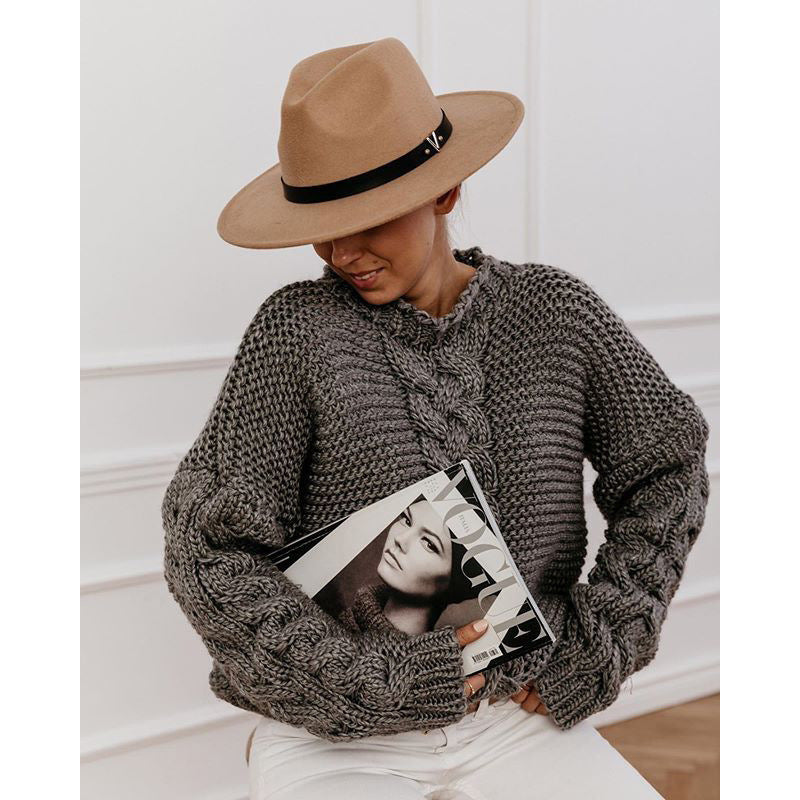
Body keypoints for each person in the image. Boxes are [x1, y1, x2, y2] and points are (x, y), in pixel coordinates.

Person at [161, 37, 710, 799]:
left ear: (445, 193)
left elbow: (666, 466)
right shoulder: (297, 332)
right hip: (339, 735)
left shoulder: (554, 314)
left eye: (370, 218)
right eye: (323, 223)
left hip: (516, 717)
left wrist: (608, 634)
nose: (341, 251)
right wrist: (362, 683)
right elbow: (208, 548)